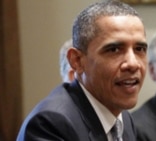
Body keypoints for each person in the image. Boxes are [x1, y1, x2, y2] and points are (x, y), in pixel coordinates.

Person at [16, 0, 148, 141]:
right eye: (114, 50)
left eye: (139, 49)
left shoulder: (123, 118)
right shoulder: (49, 125)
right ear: (77, 61)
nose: (133, 64)